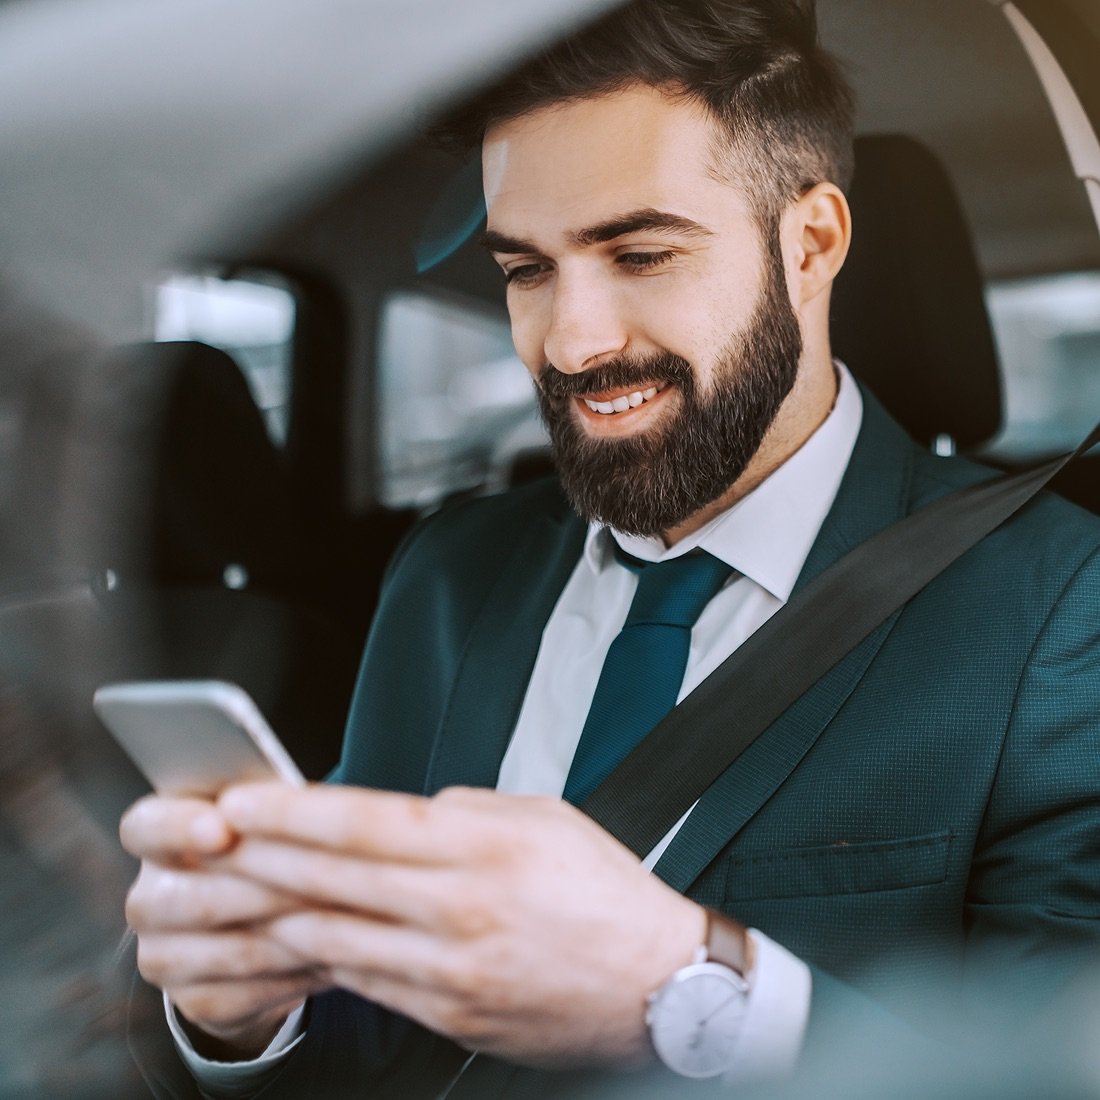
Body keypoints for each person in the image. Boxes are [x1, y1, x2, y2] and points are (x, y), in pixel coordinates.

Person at [118, 1, 1100, 1097]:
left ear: (811, 243)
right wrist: (243, 1019)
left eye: (639, 252)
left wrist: (696, 991)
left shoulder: (1058, 605)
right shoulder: (448, 573)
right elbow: (364, 1036)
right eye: (525, 270)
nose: (574, 340)